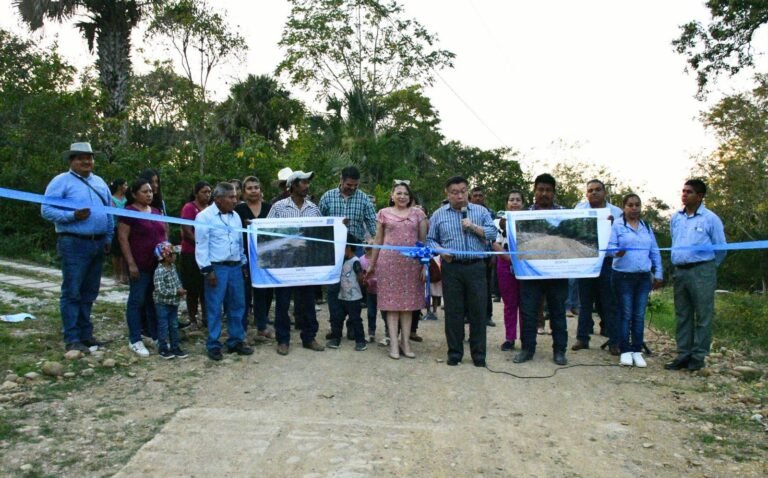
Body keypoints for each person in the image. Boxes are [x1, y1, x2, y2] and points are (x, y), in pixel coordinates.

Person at [41, 142, 113, 353]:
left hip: (98, 242)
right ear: (71, 160)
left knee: (90, 291)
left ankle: (86, 334)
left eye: (89, 157)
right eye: (81, 158)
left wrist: (108, 237)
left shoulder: (100, 182)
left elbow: (109, 212)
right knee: (72, 291)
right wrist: (72, 216)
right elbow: (46, 210)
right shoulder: (61, 181)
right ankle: (72, 337)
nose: (87, 161)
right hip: (73, 242)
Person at [427, 176, 496, 367]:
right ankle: (455, 353)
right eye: (455, 192)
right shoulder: (439, 215)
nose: (460, 196)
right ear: (447, 194)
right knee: (453, 312)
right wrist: (442, 251)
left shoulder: (481, 211)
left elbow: (492, 233)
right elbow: (430, 240)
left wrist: (473, 227)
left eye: (463, 191)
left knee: (478, 311)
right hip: (452, 268)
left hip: (476, 266)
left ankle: (479, 355)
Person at [665, 179, 726, 372]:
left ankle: (698, 356)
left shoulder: (710, 219)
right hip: (680, 271)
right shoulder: (676, 218)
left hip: (702, 270)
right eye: (683, 191)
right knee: (683, 314)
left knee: (703, 314)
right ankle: (683, 354)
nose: (684, 195)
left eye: (689, 192)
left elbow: (721, 248)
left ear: (700, 196)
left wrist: (708, 267)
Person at [266, 171, 325, 355]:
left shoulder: (313, 208)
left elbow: (321, 231)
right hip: (285, 262)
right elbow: (266, 230)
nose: (307, 186)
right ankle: (283, 339)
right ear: (293, 185)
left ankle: (309, 337)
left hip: (306, 262)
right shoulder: (279, 207)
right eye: (303, 182)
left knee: (307, 301)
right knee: (283, 301)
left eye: (308, 182)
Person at [367, 181, 428, 359]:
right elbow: (378, 240)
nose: (402, 197)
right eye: (399, 193)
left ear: (411, 197)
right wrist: (372, 263)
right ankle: (393, 343)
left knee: (408, 306)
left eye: (406, 194)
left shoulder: (419, 214)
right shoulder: (383, 213)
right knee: (391, 306)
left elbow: (423, 243)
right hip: (389, 263)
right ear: (392, 195)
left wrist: (424, 265)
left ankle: (406, 342)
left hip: (411, 264)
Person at [513, 173, 570, 366]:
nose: (544, 193)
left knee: (557, 311)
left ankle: (559, 351)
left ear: (553, 193)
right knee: (528, 312)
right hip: (531, 272)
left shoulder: (565, 214)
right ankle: (527, 349)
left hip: (557, 271)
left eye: (548, 190)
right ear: (534, 191)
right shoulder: (523, 213)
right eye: (540, 190)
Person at [195, 182, 253, 361]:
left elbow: (239, 242)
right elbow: (201, 245)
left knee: (238, 305)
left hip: (235, 266)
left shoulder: (235, 216)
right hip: (217, 268)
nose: (235, 200)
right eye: (231, 197)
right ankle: (213, 344)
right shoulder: (205, 217)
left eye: (236, 196)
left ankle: (235, 341)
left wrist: (243, 264)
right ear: (219, 199)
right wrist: (208, 270)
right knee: (214, 307)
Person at [319, 166, 377, 340]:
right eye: (349, 184)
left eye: (355, 185)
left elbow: (373, 224)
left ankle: (353, 327)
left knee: (355, 288)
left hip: (356, 248)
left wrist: (375, 240)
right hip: (333, 249)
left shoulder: (364, 199)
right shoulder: (327, 197)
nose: (352, 188)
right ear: (341, 180)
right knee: (334, 289)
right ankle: (335, 326)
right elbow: (320, 223)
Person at [608, 194, 663, 368]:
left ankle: (637, 350)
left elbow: (654, 250)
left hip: (643, 277)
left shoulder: (646, 226)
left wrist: (658, 272)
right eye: (630, 205)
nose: (634, 208)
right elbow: (608, 249)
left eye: (637, 205)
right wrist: (616, 252)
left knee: (639, 315)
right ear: (624, 207)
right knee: (626, 314)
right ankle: (625, 350)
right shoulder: (617, 225)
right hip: (623, 276)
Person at [572, 179, 623, 355]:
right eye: (590, 190)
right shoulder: (579, 210)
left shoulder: (617, 212)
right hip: (586, 260)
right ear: (586, 193)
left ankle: (614, 341)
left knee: (609, 302)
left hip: (608, 261)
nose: (594, 193)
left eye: (598, 190)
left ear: (604, 192)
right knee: (585, 302)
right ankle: (582, 338)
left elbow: (623, 236)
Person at [118, 178, 167, 357]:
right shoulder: (129, 212)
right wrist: (130, 263)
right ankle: (134, 339)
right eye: (144, 191)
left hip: (158, 265)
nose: (149, 194)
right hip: (140, 264)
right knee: (136, 301)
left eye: (150, 191)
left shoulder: (156, 211)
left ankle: (154, 335)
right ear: (134, 194)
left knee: (153, 301)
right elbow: (123, 238)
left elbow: (164, 234)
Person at [234, 176, 274, 338]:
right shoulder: (238, 210)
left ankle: (262, 325)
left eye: (256, 187)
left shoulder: (269, 208)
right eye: (249, 188)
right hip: (245, 257)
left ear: (260, 190)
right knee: (244, 293)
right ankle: (241, 328)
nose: (253, 191)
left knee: (264, 291)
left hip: (267, 256)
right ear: (243, 192)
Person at [492, 190, 524, 351]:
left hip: (526, 265)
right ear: (507, 203)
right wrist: (508, 257)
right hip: (505, 264)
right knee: (510, 304)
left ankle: (527, 338)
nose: (515, 202)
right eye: (511, 200)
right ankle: (509, 338)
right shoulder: (498, 222)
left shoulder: (528, 221)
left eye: (518, 200)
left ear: (523, 203)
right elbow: (495, 243)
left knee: (526, 304)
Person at [327, 234, 368, 351]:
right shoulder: (340, 261)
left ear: (348, 248)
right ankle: (336, 338)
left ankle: (360, 341)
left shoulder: (355, 262)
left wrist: (362, 287)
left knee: (355, 319)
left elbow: (360, 278)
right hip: (342, 296)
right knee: (337, 318)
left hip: (354, 298)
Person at [179, 181, 211, 329]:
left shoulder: (210, 209)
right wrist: (200, 245)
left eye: (209, 192)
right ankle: (192, 318)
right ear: (197, 192)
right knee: (192, 288)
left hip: (208, 255)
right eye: (204, 192)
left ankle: (206, 316)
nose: (207, 195)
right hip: (191, 253)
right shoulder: (189, 208)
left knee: (206, 287)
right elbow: (186, 230)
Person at [152, 241, 188, 360]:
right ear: (166, 256)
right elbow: (160, 289)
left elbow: (177, 281)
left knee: (173, 325)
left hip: (173, 303)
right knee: (163, 326)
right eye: (172, 253)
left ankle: (175, 347)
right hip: (162, 303)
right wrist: (176, 292)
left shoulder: (173, 267)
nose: (175, 256)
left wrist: (181, 289)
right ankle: (163, 349)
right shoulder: (160, 271)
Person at [469, 186, 496, 327]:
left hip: (487, 255)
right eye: (475, 195)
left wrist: (493, 256)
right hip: (471, 256)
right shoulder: (465, 212)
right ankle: (468, 315)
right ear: (471, 197)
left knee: (485, 287)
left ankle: (487, 316)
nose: (478, 198)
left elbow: (494, 236)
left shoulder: (490, 213)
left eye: (480, 195)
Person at [109, 178, 128, 284]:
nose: (126, 187)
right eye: (125, 185)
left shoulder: (127, 198)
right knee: (116, 253)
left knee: (124, 253)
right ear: (120, 186)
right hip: (116, 227)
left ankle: (124, 275)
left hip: (125, 227)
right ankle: (116, 274)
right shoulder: (112, 199)